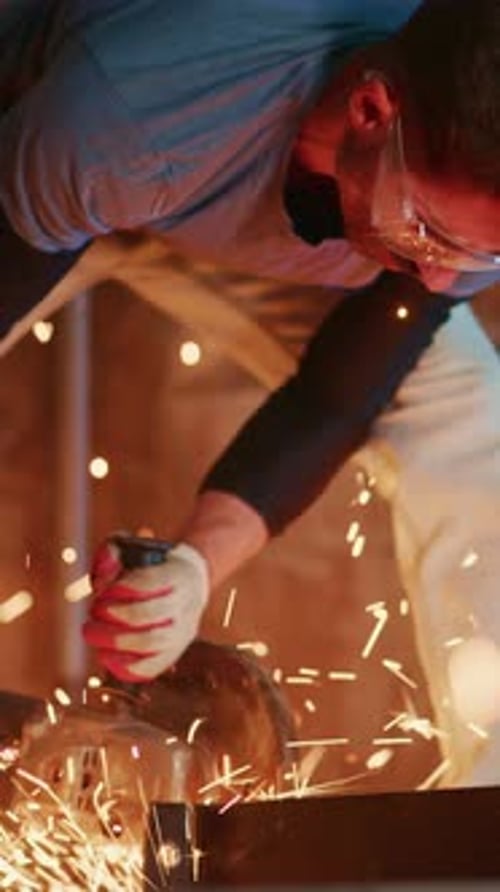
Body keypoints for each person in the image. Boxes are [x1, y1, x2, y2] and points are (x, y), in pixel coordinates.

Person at [2, 1, 500, 785]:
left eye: (477, 256)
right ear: (372, 109)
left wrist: (196, 569)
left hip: (267, 207)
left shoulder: (453, 207)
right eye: (434, 235)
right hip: (72, 148)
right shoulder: (129, 111)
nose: (444, 277)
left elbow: (338, 398)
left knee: (470, 414)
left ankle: (482, 819)